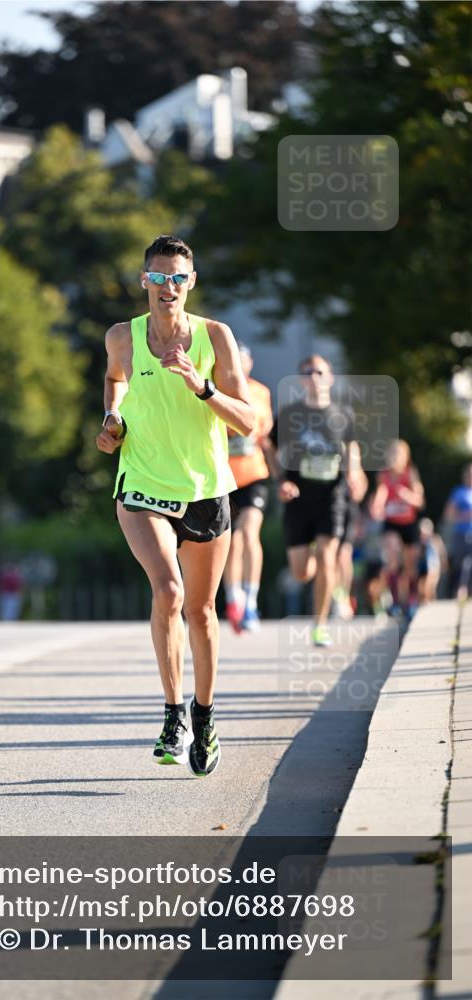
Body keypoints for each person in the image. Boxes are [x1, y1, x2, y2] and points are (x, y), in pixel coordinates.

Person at [96, 234, 253, 777]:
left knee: (202, 612)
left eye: (178, 277)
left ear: (192, 282)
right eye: (159, 276)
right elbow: (114, 381)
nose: (169, 286)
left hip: (206, 489)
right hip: (142, 484)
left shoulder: (215, 337)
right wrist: (112, 421)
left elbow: (248, 421)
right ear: (145, 280)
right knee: (168, 591)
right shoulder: (122, 336)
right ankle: (173, 715)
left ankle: (204, 717)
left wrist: (202, 386)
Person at [264, 354, 365, 647]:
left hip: (332, 496)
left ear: (330, 377)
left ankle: (320, 625)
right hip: (298, 497)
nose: (314, 377)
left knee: (327, 557)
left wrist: (355, 472)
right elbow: (268, 445)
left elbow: (352, 447)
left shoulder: (342, 414)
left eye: (320, 372)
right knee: (301, 572)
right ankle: (315, 564)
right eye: (308, 372)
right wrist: (280, 480)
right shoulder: (290, 414)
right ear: (301, 380)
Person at [223, 343, 273, 633]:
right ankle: (234, 599)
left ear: (250, 363)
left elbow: (262, 431)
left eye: (243, 360)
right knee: (232, 540)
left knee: (249, 532)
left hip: (254, 475)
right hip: (224, 478)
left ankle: (251, 601)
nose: (240, 365)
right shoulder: (217, 387)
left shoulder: (260, 392)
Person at [369, 439, 424, 616]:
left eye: (398, 454)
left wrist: (407, 495)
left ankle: (411, 600)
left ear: (406, 457)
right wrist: (377, 506)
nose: (394, 457)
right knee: (392, 559)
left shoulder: (411, 474)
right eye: (391, 453)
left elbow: (420, 500)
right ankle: (395, 602)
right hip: (391, 523)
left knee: (410, 565)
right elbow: (381, 493)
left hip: (409, 523)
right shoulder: (383, 475)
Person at [443, 463, 472, 600]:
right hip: (462, 533)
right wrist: (465, 516)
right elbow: (449, 514)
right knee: (461, 562)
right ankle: (459, 589)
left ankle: (465, 589)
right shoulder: (459, 492)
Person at [417, 518, 447, 604]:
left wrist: (444, 563)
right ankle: (425, 599)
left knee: (432, 582)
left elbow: (442, 552)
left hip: (434, 564)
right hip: (424, 565)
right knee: (423, 582)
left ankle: (430, 599)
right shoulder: (420, 542)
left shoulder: (436, 539)